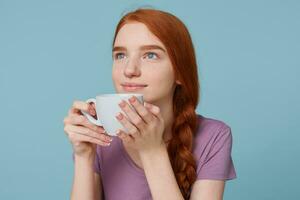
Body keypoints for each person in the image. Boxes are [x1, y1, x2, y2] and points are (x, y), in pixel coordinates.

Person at [63, 8, 236, 200]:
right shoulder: (102, 137)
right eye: (120, 55)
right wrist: (83, 157)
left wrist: (153, 151)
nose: (129, 70)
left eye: (150, 55)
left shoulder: (213, 136)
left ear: (180, 71)